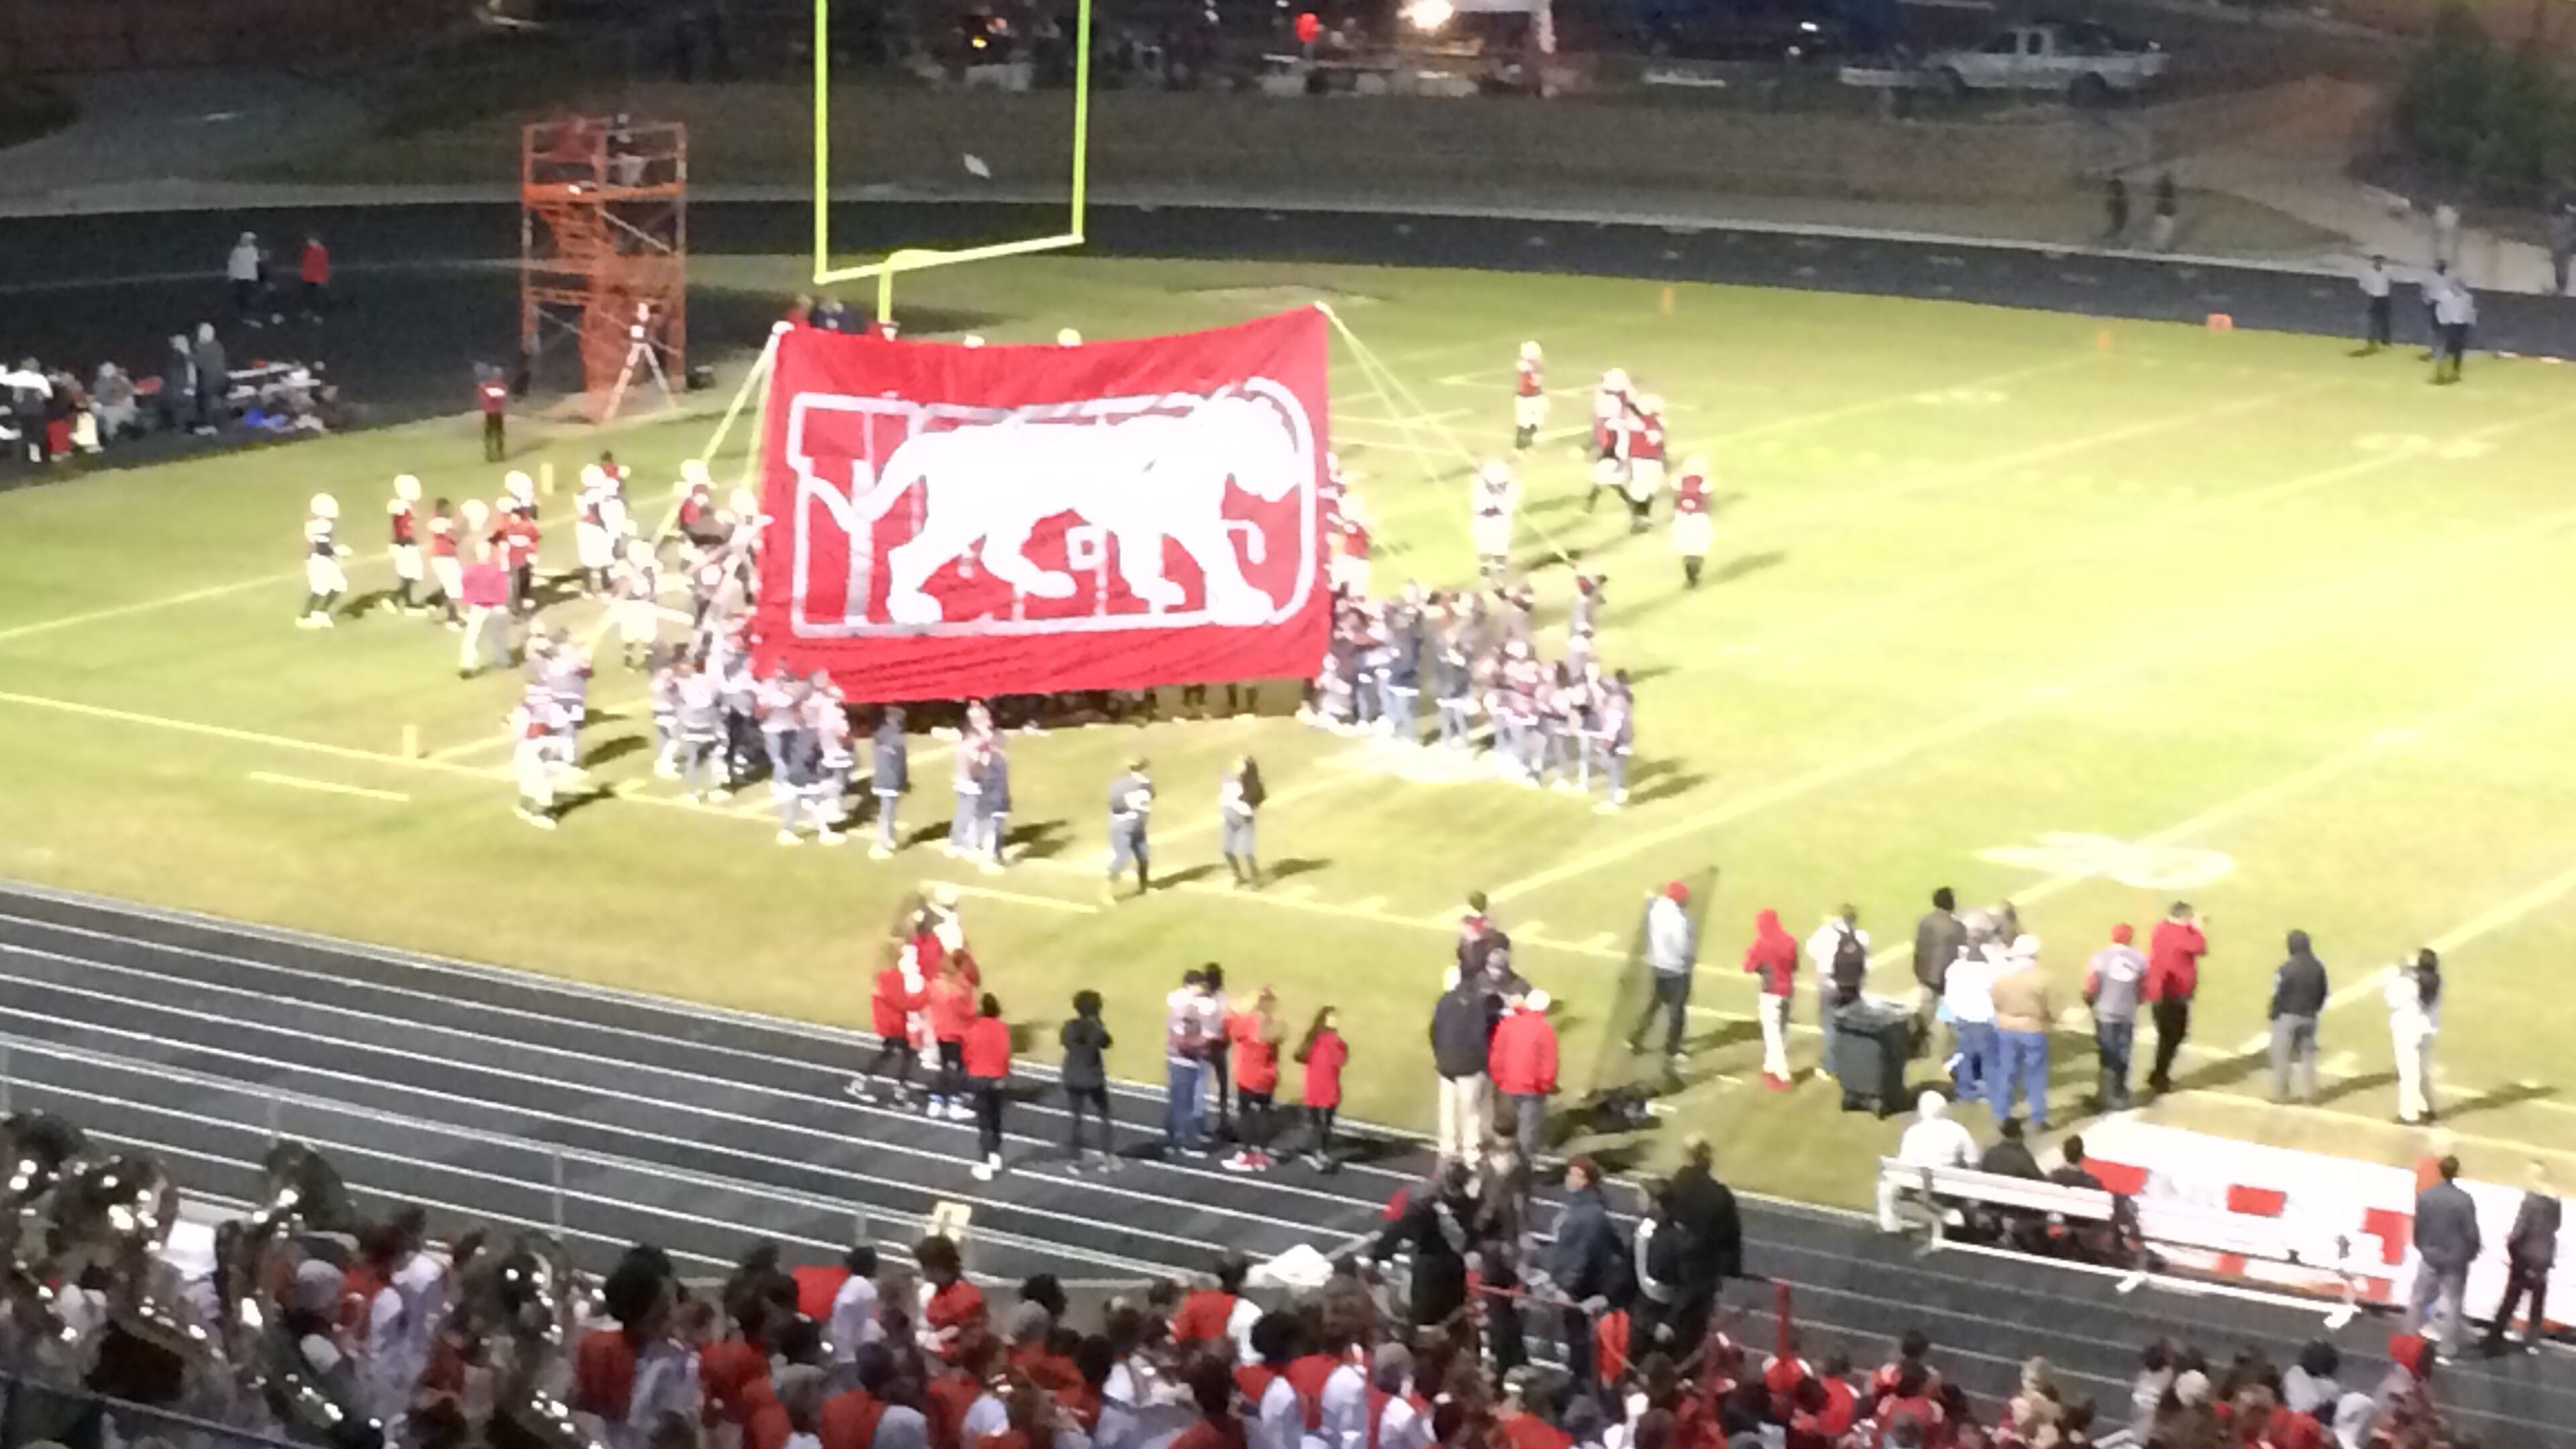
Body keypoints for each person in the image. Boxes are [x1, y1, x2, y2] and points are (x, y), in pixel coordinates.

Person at [1542, 1157, 1623, 1396]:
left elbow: (1581, 1252)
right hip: (1586, 1284)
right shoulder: (1589, 1208)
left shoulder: (1587, 1213)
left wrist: (1566, 1286)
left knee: (1580, 1339)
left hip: (1580, 1289)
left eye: (1576, 1175)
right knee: (1581, 1338)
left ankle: (1584, 1385)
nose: (1569, 1179)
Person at [2483, 1161, 2559, 1355]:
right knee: (2537, 1301)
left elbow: (2520, 1229)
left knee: (2511, 1299)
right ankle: (2532, 1341)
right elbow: (2556, 1226)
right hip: (2543, 1256)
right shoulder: (2555, 1200)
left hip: (2525, 1257)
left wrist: (2511, 1246)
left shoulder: (2531, 1201)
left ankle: (2495, 1335)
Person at [2409, 1155, 2481, 1354]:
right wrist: (2471, 1254)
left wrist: (2422, 1247)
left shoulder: (2427, 1196)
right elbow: (2471, 1232)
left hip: (2431, 1255)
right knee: (2453, 1304)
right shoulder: (2464, 1200)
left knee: (2418, 1300)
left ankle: (2409, 1342)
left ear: (2439, 1171)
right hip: (2455, 1260)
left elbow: (2419, 1226)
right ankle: (2447, 1347)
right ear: (2457, 1172)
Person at [1877, 1091, 1976, 1232]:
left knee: (1885, 1185)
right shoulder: (1958, 1130)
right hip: (1949, 1185)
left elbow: (1905, 1162)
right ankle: (1943, 1213)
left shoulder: (1913, 1131)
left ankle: (1889, 1224)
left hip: (1916, 1183)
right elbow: (1973, 1161)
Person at [1988, 937, 2053, 1130]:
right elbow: (2049, 1008)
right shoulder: (2043, 979)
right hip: (2032, 1028)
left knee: (2007, 1072)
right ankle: (2038, 1118)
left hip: (2007, 1028)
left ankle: (2001, 1114)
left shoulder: (2002, 979)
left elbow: (1995, 1003)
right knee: (2036, 1075)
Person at [1629, 881, 1698, 1062]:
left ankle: (1636, 1036)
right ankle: (1672, 1048)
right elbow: (1683, 949)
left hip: (1658, 964)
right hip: (1677, 970)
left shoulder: (1658, 908)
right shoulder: (1682, 921)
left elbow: (1652, 898)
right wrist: (1691, 961)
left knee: (1655, 1003)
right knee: (1677, 1011)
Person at [1430, 967, 1493, 1165]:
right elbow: (1480, 1037)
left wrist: (1440, 1055)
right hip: (1469, 1066)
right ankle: (1470, 1151)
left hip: (1446, 1064)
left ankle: (1447, 1148)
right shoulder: (1477, 1004)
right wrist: (1482, 1061)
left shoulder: (1443, 1002)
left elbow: (1434, 1032)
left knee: (1447, 1108)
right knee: (1471, 1111)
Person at [2143, 902, 2206, 1096]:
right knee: (2173, 1035)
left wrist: (2189, 925)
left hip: (2159, 991)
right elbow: (2200, 947)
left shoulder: (2161, 929)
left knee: (2168, 1035)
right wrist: (2197, 929)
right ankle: (2159, 1075)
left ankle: (2159, 1073)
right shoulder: (2184, 937)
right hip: (2173, 994)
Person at [2084, 924, 2145, 1111]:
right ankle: (2120, 1093)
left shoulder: (2100, 958)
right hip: (2127, 1013)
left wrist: (2090, 1001)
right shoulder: (2140, 959)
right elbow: (2143, 989)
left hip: (2106, 1013)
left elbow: (2091, 987)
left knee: (2108, 1055)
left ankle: (2104, 1096)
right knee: (2124, 1053)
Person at [1224, 987, 1286, 1173]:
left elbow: (1230, 1027)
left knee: (1246, 1116)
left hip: (1249, 1077)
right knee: (1264, 1115)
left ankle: (1247, 1155)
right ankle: (1261, 1154)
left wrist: (1238, 1009)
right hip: (1268, 1078)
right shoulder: (1275, 1026)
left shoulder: (1248, 1023)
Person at [1488, 989, 1558, 1152]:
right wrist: (1546, 1085)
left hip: (1507, 1084)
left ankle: (1500, 1158)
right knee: (1527, 1130)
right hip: (1532, 1089)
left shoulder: (1508, 1024)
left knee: (1504, 1126)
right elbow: (1549, 1063)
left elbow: (1497, 1054)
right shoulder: (1545, 1030)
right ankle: (1522, 1166)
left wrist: (1498, 1078)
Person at [2267, 930, 2328, 1105]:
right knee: (2308, 1056)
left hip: (2287, 1016)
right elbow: (2323, 992)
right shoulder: (2318, 967)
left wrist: (2274, 1012)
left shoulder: (2286, 969)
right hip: (2310, 1016)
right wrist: (2315, 1009)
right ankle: (2310, 1095)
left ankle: (2281, 1094)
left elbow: (2277, 993)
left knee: (2281, 1055)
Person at [1060, 989, 1116, 1172]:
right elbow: (1107, 1042)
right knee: (1104, 1116)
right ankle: (1107, 1157)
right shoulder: (1096, 1029)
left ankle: (1075, 1159)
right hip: (1092, 1079)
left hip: (1072, 1076)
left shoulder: (1069, 1027)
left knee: (1076, 1118)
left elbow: (1066, 1042)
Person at [1808, 906, 1869, 1069]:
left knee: (1830, 1026)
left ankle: (1830, 1066)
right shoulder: (1861, 936)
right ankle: (1852, 1060)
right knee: (1852, 1024)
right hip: (1852, 986)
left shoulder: (1826, 933)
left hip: (1828, 985)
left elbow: (1811, 949)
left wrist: (1829, 925)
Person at [1743, 908, 1798, 1089]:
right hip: (1788, 991)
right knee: (1781, 1031)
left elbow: (1748, 967)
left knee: (1772, 1034)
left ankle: (1783, 1074)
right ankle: (1770, 1068)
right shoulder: (1790, 941)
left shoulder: (1762, 944)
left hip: (1771, 993)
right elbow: (1794, 966)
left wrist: (1752, 954)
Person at [2386, 947, 2441, 1125]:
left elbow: (2391, 999)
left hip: (2407, 1031)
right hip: (2427, 1031)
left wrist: (2400, 974)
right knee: (2422, 1071)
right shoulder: (2437, 981)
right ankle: (2426, 1107)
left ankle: (2409, 1113)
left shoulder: (2409, 985)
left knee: (2408, 1073)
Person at [963, 993, 1010, 1181]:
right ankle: (996, 1155)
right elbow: (1005, 1053)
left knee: (984, 1123)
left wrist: (970, 1068)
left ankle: (985, 1163)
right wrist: (1002, 1074)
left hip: (978, 1077)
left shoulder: (973, 1027)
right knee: (995, 1117)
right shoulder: (1002, 1028)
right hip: (995, 1077)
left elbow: (967, 1051)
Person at [1164, 969, 1210, 1158]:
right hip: (1184, 1062)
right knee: (1184, 1104)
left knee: (1178, 1102)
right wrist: (1202, 1045)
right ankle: (1184, 1144)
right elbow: (1180, 1040)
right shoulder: (1186, 1011)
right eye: (1200, 985)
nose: (1204, 989)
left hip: (1179, 1060)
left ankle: (1172, 1140)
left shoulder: (1183, 1006)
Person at [1293, 1006, 1345, 1171]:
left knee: (1318, 1123)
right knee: (1325, 1124)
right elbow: (1340, 1060)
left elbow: (1299, 1056)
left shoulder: (1313, 1039)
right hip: (1328, 1089)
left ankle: (1318, 1151)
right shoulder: (1335, 1042)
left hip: (1314, 1089)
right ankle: (1321, 1153)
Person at [1912, 888, 1966, 1045]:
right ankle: (1945, 1050)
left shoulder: (1925, 921)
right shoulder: (1957, 927)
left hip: (1926, 974)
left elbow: (1919, 947)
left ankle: (1917, 1043)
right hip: (1945, 979)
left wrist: (1918, 969)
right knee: (1947, 1014)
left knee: (1926, 1010)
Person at [300, 492, 349, 629]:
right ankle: (305, 616)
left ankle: (320, 612)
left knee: (339, 585)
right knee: (320, 588)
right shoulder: (321, 525)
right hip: (318, 559)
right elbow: (321, 547)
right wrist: (337, 552)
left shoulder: (319, 523)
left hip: (324, 558)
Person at [1106, 758, 1153, 900]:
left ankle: (1144, 888)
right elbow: (1114, 805)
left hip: (1138, 828)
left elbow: (1151, 796)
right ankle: (1107, 892)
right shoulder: (1121, 785)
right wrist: (1129, 808)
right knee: (1122, 859)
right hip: (1123, 828)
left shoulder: (1147, 786)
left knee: (1144, 857)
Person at [869, 707, 908, 858]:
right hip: (890, 781)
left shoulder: (881, 734)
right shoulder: (897, 739)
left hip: (881, 778)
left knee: (888, 811)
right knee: (887, 813)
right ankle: (881, 845)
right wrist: (903, 781)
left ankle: (889, 838)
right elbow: (900, 764)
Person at [1219, 756, 1264, 889]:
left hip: (1245, 820)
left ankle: (1256, 878)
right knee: (1227, 850)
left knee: (1247, 852)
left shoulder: (1250, 783)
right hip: (1229, 818)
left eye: (1240, 763)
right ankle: (1238, 876)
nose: (1236, 764)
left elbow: (1257, 798)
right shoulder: (1228, 778)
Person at [1670, 455, 1713, 588]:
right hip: (1699, 516)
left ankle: (1690, 577)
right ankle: (1694, 576)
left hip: (1682, 515)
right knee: (1699, 547)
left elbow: (1676, 498)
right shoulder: (1706, 483)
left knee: (1686, 547)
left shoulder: (1678, 481)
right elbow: (1708, 500)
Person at [2432, 272, 2476, 384]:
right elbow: (2439, 310)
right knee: (2445, 350)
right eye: (2456, 286)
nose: (2459, 289)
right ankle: (2440, 374)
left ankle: (2455, 372)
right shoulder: (2444, 295)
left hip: (2461, 326)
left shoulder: (2467, 298)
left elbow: (2470, 311)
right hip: (2448, 325)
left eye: (2461, 287)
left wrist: (2471, 322)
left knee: (2458, 350)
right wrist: (2442, 322)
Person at [1512, 341, 1545, 452]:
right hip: (1526, 398)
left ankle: (1527, 445)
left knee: (1535, 422)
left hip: (1533, 396)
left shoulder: (1531, 365)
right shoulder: (1526, 365)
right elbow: (1535, 382)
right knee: (1524, 423)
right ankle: (1520, 447)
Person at [227, 231, 265, 325]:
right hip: (241, 278)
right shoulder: (238, 251)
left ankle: (247, 317)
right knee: (243, 299)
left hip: (249, 278)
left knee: (248, 298)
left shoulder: (251, 250)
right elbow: (232, 264)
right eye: (250, 240)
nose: (251, 242)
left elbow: (256, 263)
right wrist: (231, 275)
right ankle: (246, 317)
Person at [2357, 255, 2393, 354]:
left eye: (2381, 260)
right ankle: (2372, 338)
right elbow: (2362, 284)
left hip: (2384, 296)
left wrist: (2387, 290)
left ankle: (2385, 339)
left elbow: (2390, 282)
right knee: (2373, 319)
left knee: (2385, 319)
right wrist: (2370, 292)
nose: (2379, 262)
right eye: (2377, 260)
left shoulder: (2387, 271)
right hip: (2373, 296)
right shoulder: (2367, 272)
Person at [479, 366, 510, 462]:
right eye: (497, 374)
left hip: (497, 413)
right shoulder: (487, 385)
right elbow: (483, 397)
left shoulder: (500, 386)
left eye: (499, 374)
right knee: (490, 435)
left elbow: (503, 398)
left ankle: (499, 454)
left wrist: (491, 395)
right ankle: (490, 455)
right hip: (490, 413)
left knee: (498, 435)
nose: (498, 376)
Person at [300, 234, 331, 319]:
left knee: (318, 298)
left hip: (317, 278)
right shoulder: (308, 251)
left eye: (311, 241)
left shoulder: (321, 251)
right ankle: (309, 311)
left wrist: (324, 279)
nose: (309, 243)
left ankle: (318, 315)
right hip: (308, 278)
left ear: (317, 241)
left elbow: (323, 266)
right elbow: (306, 264)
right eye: (309, 241)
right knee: (308, 296)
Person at [2149, 171, 2178, 252]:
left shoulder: (2162, 189)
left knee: (2161, 232)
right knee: (2165, 232)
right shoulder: (2168, 189)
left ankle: (2160, 247)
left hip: (2162, 214)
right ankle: (2161, 248)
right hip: (2166, 214)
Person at [2103, 174, 2129, 242]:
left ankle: (2105, 238)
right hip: (2118, 217)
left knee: (2117, 228)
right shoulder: (2116, 198)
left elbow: (2110, 208)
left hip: (2119, 217)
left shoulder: (2120, 198)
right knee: (2117, 228)